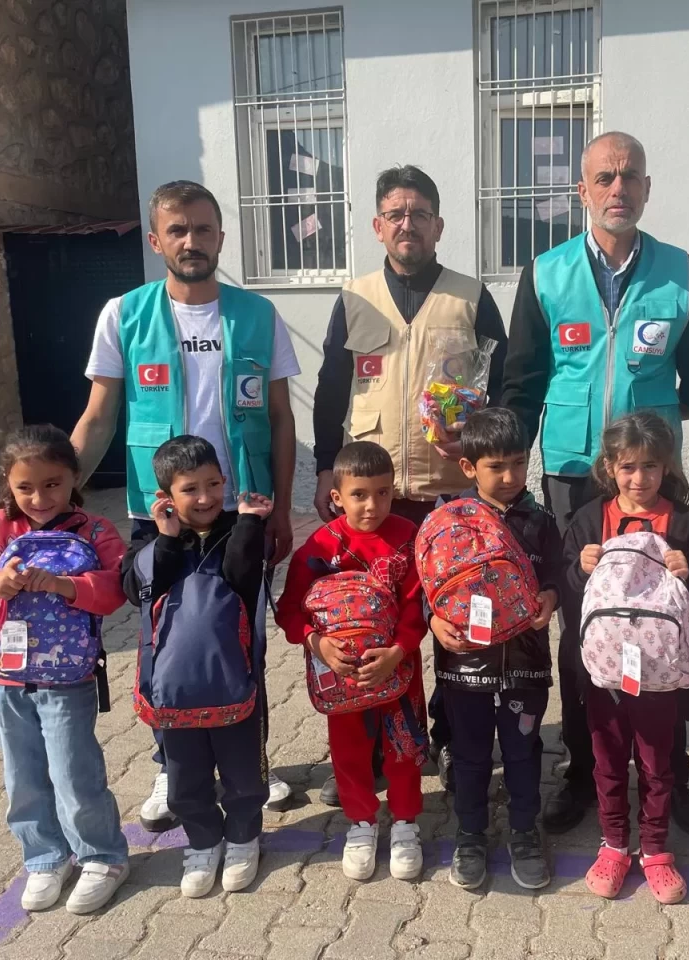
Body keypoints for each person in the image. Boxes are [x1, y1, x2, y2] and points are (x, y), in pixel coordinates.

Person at [503, 131, 689, 838]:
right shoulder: (546, 274)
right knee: (586, 627)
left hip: (653, 488)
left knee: (668, 621)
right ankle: (584, 773)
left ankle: (668, 778)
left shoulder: (679, 273)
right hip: (575, 484)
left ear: (647, 189)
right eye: (604, 177)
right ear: (581, 190)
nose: (618, 188)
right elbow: (521, 385)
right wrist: (503, 469)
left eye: (630, 177)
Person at [71, 180, 300, 829]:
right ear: (156, 240)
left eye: (203, 229)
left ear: (221, 237)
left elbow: (282, 421)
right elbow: (98, 415)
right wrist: (51, 496)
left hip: (242, 514)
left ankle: (249, 762)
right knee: (163, 643)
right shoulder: (124, 315)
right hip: (160, 516)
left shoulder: (258, 317)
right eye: (178, 230)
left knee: (242, 640)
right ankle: (171, 767)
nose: (191, 241)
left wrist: (281, 509)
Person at [311, 164, 508, 805]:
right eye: (395, 213)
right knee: (375, 624)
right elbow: (330, 392)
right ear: (377, 225)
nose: (407, 223)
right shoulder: (354, 297)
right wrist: (323, 470)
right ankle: (377, 742)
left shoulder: (471, 296)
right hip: (376, 499)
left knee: (451, 625)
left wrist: (484, 459)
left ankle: (451, 741)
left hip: (450, 492)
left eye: (419, 213)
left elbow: (500, 392)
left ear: (438, 225)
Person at [0, 425, 130, 915]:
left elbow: (116, 590)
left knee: (74, 771)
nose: (39, 497)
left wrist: (66, 585)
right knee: (23, 775)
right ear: (8, 483)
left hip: (69, 679)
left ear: (74, 477)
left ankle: (103, 856)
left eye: (52, 483)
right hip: (6, 679)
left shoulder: (95, 531)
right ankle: (46, 856)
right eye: (25, 487)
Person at [563, 412, 689, 905]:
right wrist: (578, 568)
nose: (639, 478)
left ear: (666, 466)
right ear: (609, 466)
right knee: (607, 760)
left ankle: (655, 848)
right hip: (604, 676)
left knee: (657, 762)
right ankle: (613, 844)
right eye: (628, 466)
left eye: (651, 466)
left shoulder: (686, 523)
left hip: (661, 677)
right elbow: (569, 595)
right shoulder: (589, 519)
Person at [121, 436, 273, 898]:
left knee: (244, 773)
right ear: (167, 495)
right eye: (191, 489)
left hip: (235, 683)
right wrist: (166, 538)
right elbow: (134, 589)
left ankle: (244, 838)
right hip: (175, 694)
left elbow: (243, 578)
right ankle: (203, 842)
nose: (206, 498)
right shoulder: (149, 542)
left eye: (213, 484)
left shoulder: (236, 529)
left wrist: (248, 524)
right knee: (184, 778)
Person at [278, 442, 428, 882]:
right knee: (349, 750)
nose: (373, 505)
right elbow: (290, 610)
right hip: (340, 678)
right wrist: (317, 645)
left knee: (404, 747)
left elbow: (418, 607)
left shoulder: (407, 538)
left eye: (383, 493)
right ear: (337, 496)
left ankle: (405, 823)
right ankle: (361, 823)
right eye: (359, 494)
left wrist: (399, 651)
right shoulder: (320, 546)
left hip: (400, 671)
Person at [428, 408, 560, 891]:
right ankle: (470, 834)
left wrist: (551, 595)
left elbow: (556, 574)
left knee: (523, 749)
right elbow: (428, 582)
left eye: (519, 464)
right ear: (469, 468)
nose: (509, 477)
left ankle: (525, 831)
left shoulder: (541, 520)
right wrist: (434, 619)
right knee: (470, 752)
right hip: (464, 663)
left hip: (525, 663)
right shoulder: (448, 519)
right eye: (495, 467)